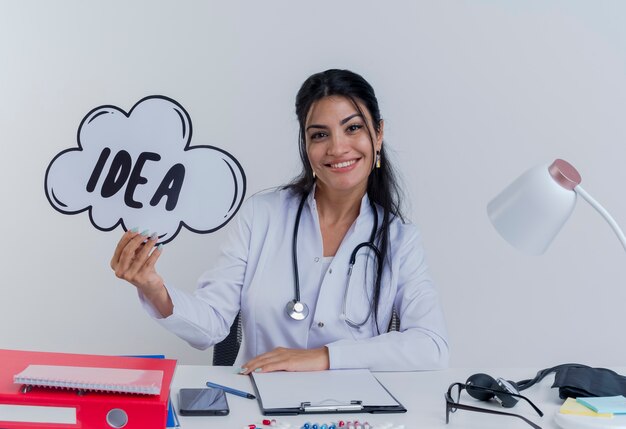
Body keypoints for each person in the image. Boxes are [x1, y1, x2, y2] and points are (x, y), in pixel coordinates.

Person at [111, 69, 449, 373]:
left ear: (378, 134)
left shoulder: (400, 239)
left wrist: (324, 357)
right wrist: (153, 287)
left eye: (353, 128)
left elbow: (431, 347)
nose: (338, 147)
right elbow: (212, 324)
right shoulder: (262, 215)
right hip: (259, 405)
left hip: (350, 410)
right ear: (306, 144)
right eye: (320, 135)